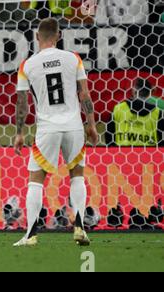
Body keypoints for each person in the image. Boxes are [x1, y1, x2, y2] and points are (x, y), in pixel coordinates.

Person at [13, 18, 98, 247]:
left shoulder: (27, 65)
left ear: (37, 37)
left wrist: (19, 132)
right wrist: (90, 124)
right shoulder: (74, 59)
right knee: (77, 175)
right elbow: (85, 94)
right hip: (74, 126)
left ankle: (30, 234)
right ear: (59, 36)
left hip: (47, 128)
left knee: (36, 180)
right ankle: (79, 225)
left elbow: (23, 103)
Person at [105, 79, 164, 146]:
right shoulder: (157, 113)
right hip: (149, 154)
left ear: (134, 91)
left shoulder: (118, 109)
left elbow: (108, 136)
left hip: (121, 154)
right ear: (150, 93)